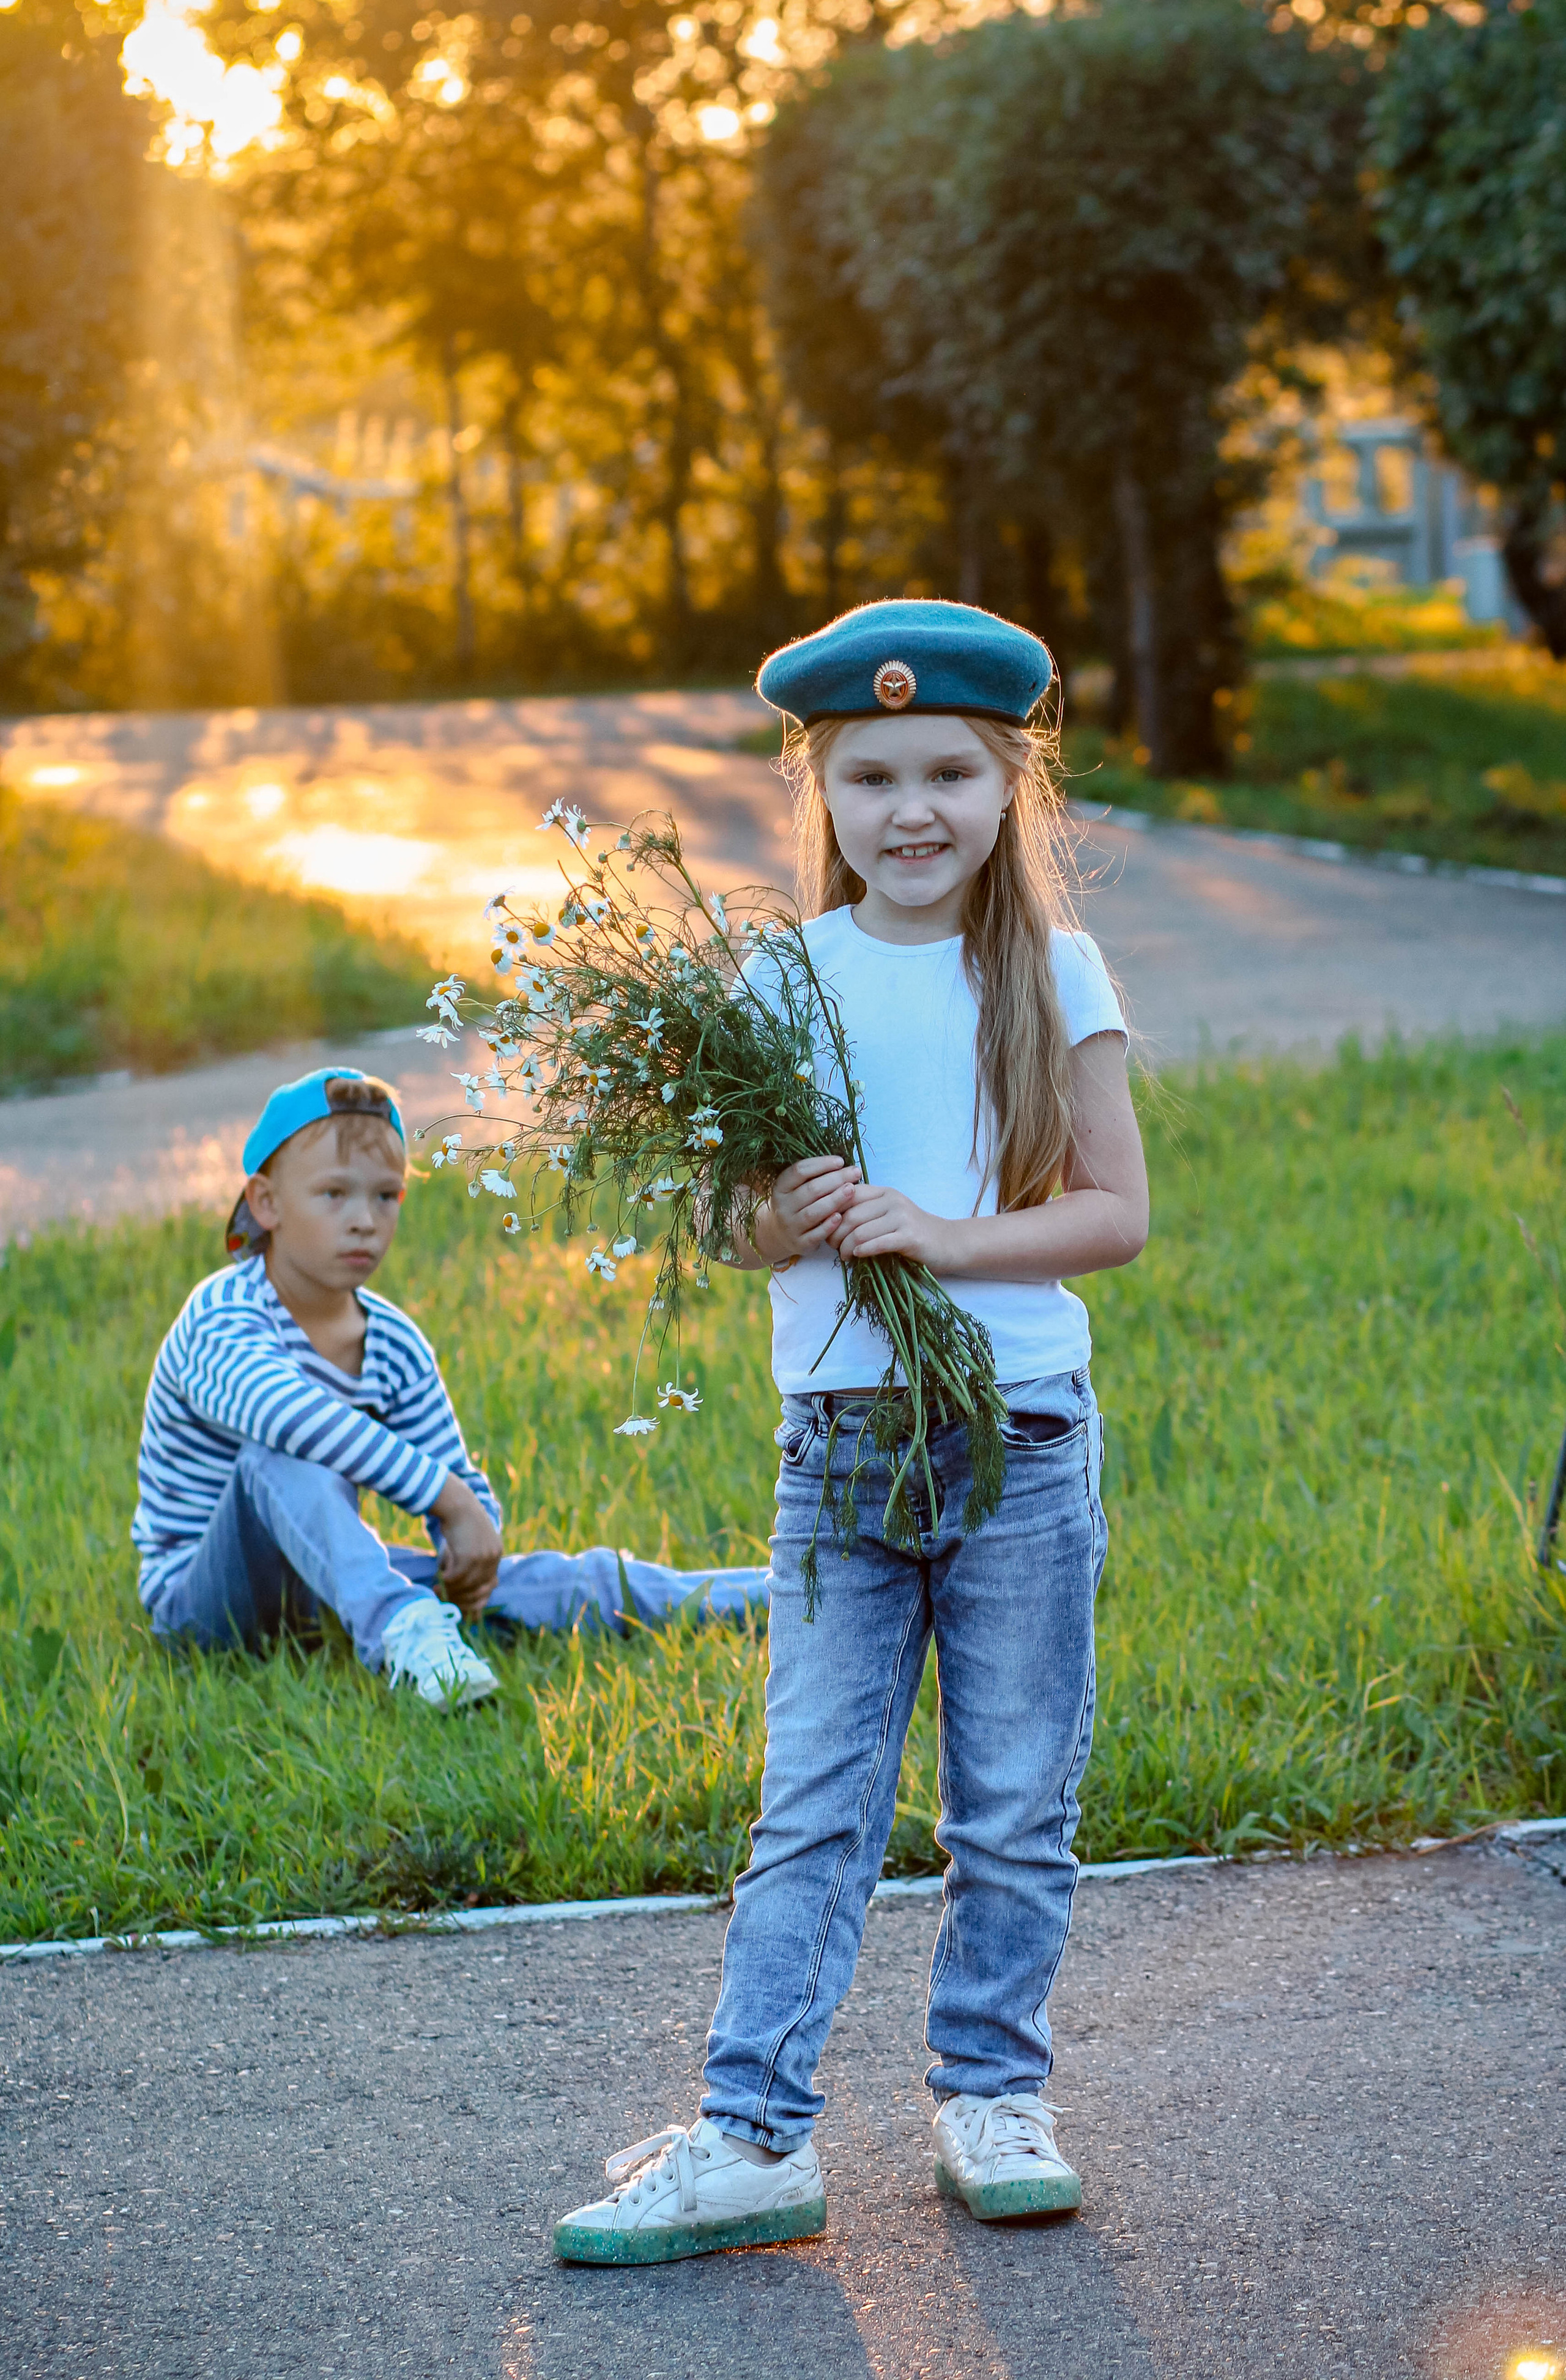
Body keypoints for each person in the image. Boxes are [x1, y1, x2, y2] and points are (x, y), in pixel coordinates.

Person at [553, 597, 1149, 2263]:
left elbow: (1115, 1212)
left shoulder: (1052, 967)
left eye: (952, 772)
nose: (913, 810)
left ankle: (991, 2092)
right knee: (813, 1797)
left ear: (1011, 784)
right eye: (872, 773)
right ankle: (751, 2133)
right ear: (817, 787)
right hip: (841, 1444)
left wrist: (936, 1238)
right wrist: (790, 1213)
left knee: (1016, 1794)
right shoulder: (775, 971)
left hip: (1023, 1433)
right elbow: (732, 1225)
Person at [132, 1066, 766, 1709]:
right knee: (285, 1454)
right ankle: (404, 1634)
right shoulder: (221, 1316)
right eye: (333, 1194)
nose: (364, 1221)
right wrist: (447, 1500)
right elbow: (296, 1420)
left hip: (329, 1583)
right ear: (266, 1203)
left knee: (559, 1582)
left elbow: (451, 1470)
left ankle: (762, 1596)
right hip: (205, 1608)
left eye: (386, 1196)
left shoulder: (394, 1342)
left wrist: (468, 1541)